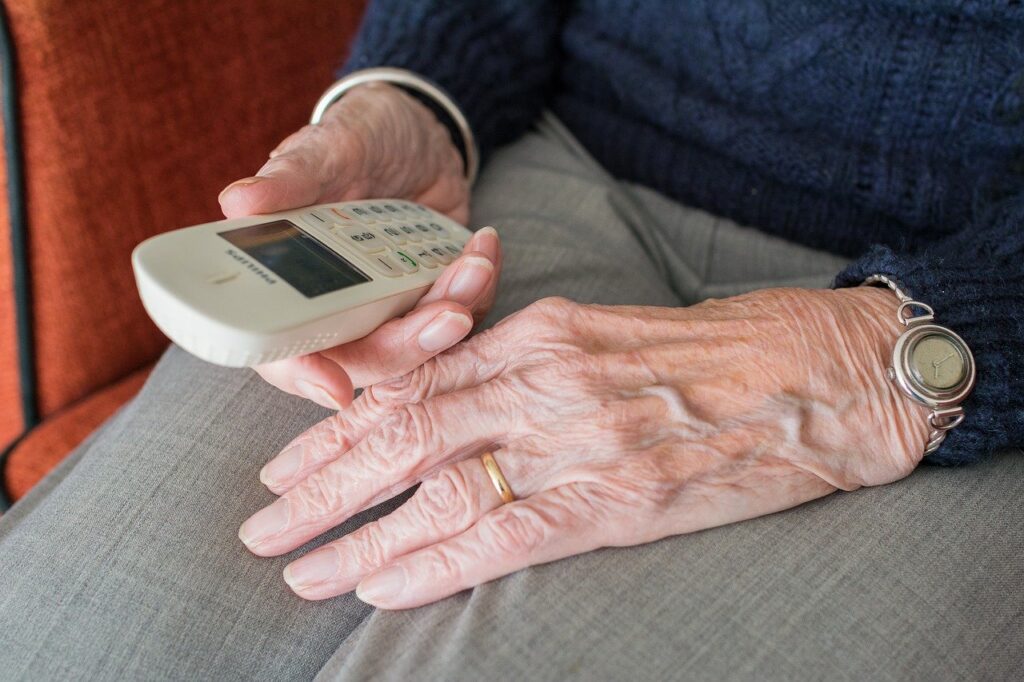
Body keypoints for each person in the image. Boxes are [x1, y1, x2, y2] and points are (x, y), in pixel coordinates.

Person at [1, 1, 1022, 679]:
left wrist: (890, 360)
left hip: (960, 320)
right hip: (538, 175)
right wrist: (413, 96)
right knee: (66, 635)